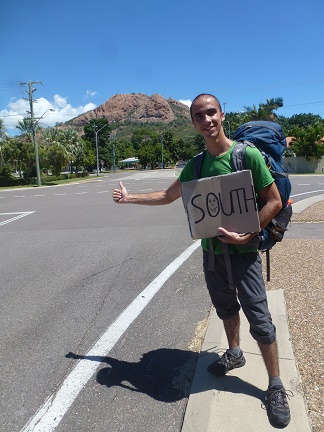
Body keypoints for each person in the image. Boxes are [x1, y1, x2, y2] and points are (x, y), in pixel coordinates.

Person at [112, 93, 292, 428]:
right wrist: (129, 198)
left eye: (211, 113)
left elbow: (274, 201)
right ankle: (235, 353)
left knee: (261, 320)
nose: (206, 119)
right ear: (193, 122)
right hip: (211, 255)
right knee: (225, 308)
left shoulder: (245, 155)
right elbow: (168, 195)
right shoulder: (196, 165)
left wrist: (249, 232)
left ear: (222, 115)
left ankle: (276, 385)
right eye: (199, 115)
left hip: (244, 254)